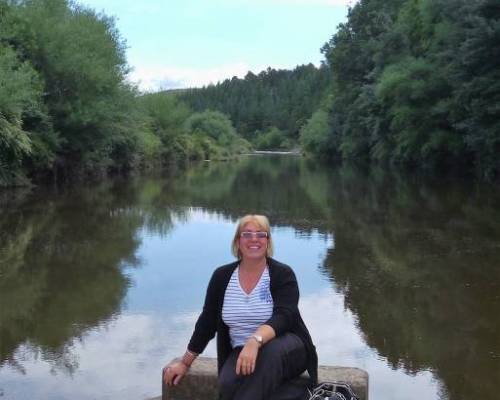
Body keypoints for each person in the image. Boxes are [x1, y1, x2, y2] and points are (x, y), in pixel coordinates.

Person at [163, 214, 318, 400]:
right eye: (247, 234)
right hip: (241, 350)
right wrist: (185, 363)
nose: (254, 239)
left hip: (287, 349)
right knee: (227, 383)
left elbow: (284, 316)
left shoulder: (282, 274)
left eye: (261, 234)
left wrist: (255, 341)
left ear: (268, 241)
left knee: (269, 355)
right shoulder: (222, 277)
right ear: (238, 241)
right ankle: (303, 395)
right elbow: (207, 322)